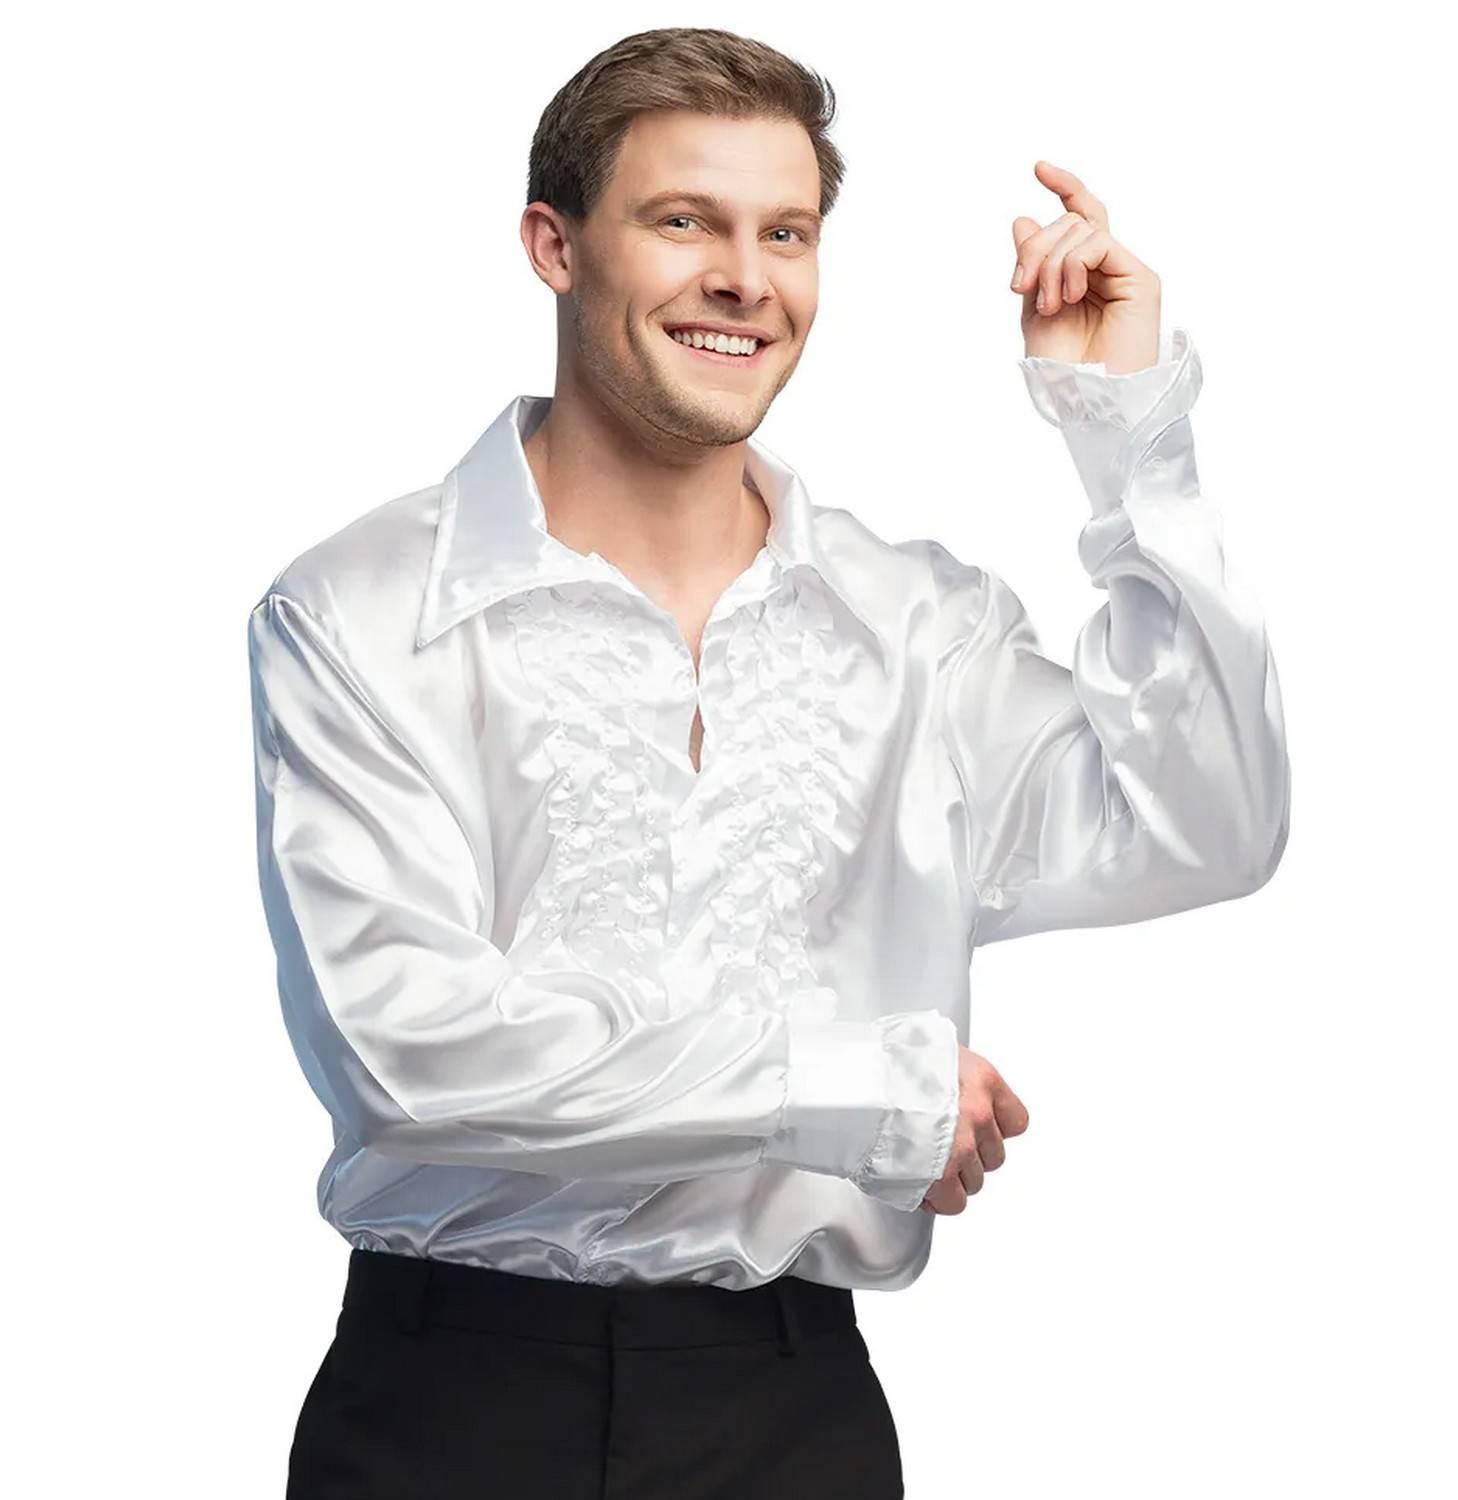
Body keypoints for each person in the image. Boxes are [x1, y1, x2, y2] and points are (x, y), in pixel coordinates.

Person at [246, 24, 1290, 1500]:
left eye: (785, 233)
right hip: (444, 1413)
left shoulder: (918, 629)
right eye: (686, 222)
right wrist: (861, 1094)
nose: (746, 277)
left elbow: (1211, 824)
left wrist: (1128, 438)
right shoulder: (357, 611)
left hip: (791, 1412)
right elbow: (402, 1051)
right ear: (555, 245)